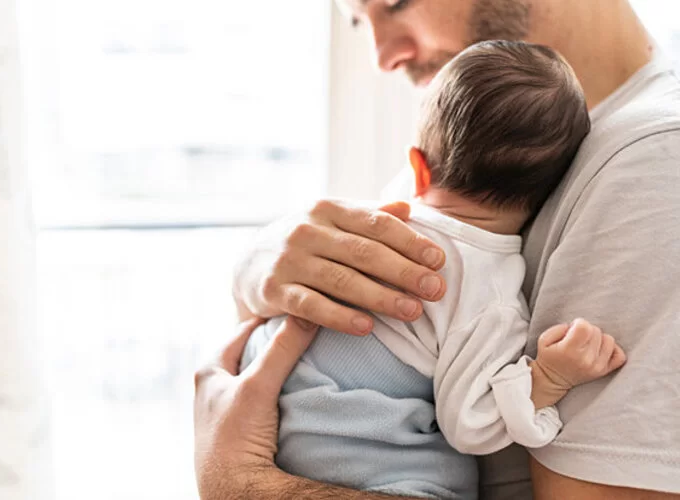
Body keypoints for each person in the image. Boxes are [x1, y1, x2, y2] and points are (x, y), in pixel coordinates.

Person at [195, 0, 680, 498]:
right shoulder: (487, 152)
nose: (382, 57)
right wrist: (258, 267)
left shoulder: (654, 166)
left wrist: (239, 482)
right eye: (359, 23)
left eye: (394, 3)